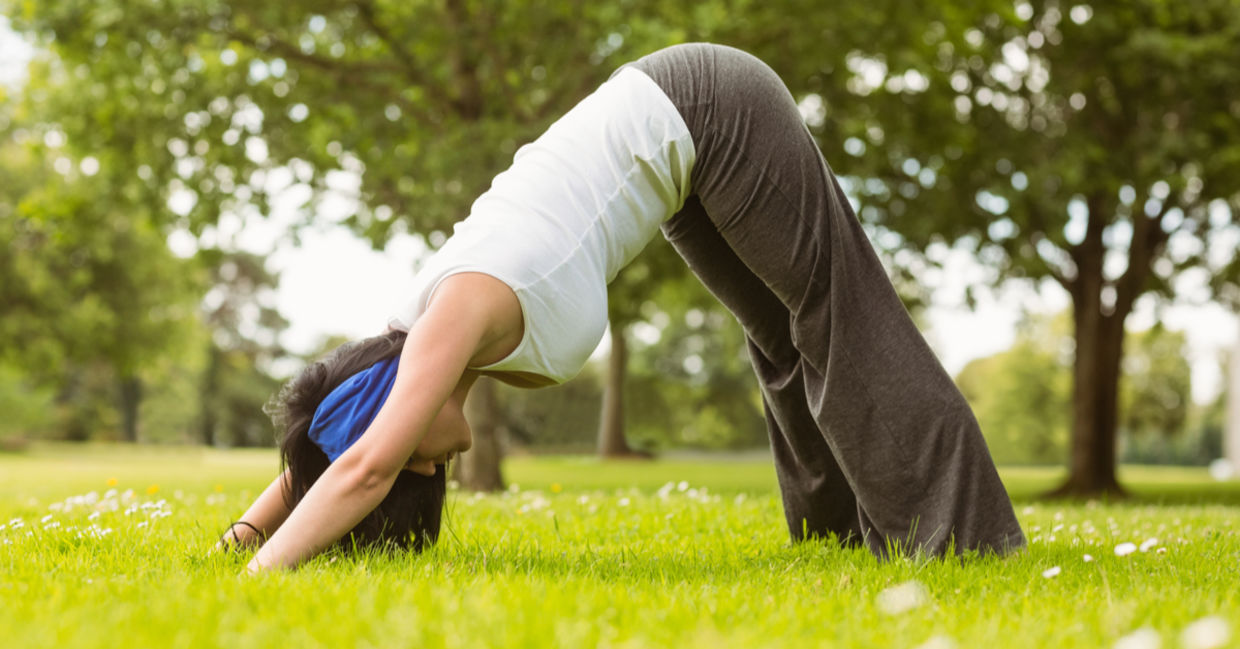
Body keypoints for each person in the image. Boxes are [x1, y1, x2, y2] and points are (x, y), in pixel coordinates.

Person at [219, 43, 1025, 571]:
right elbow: (326, 446)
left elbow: (363, 464)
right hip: (680, 156)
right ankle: (839, 540)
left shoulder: (448, 316)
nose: (429, 466)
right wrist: (241, 535)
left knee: (830, 305)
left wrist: (257, 582)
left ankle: (962, 537)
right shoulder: (411, 340)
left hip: (710, 104)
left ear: (387, 410)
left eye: (413, 460)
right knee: (778, 335)